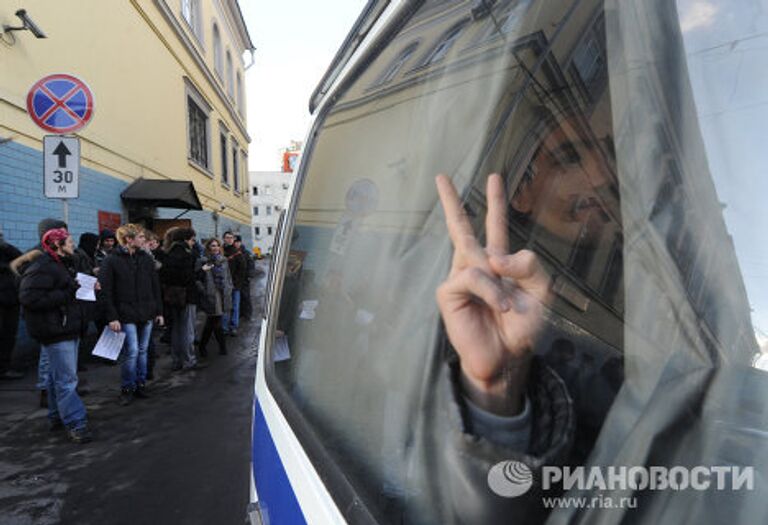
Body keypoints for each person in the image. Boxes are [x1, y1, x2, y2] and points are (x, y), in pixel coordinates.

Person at [18, 228, 92, 443]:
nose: (73, 245)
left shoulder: (60, 265)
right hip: (56, 331)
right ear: (57, 245)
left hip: (64, 328)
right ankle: (76, 423)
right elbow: (29, 298)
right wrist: (67, 293)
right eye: (69, 242)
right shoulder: (43, 267)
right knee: (67, 380)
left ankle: (56, 417)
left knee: (54, 378)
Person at [99, 224, 164, 405]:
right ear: (129, 239)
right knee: (133, 351)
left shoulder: (146, 259)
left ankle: (140, 384)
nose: (144, 240)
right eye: (141, 237)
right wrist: (112, 316)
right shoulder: (112, 260)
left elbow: (155, 287)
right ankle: (128, 387)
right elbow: (106, 291)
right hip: (125, 313)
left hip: (147, 312)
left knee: (142, 351)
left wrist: (159, 311)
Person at [160, 227, 207, 371]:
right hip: (187, 295)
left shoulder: (167, 253)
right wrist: (201, 272)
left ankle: (176, 361)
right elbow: (188, 278)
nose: (193, 243)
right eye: (192, 240)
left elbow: (165, 276)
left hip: (171, 296)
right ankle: (189, 360)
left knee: (175, 329)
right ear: (186, 239)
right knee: (188, 330)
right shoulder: (188, 255)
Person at [198, 238, 233, 357]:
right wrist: (204, 290)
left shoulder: (223, 261)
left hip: (223, 293)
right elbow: (197, 279)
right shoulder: (203, 261)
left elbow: (228, 276)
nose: (215, 248)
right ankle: (221, 347)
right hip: (211, 294)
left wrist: (230, 287)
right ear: (208, 248)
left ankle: (203, 346)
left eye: (217, 245)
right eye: (213, 246)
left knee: (213, 321)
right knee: (215, 320)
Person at [0, 229, 24, 380]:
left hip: (11, 300)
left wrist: (5, 246)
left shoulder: (6, 250)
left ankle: (4, 368)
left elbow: (21, 258)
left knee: (9, 335)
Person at [222, 231, 246, 335]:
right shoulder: (220, 250)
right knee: (225, 307)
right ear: (224, 239)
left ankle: (233, 326)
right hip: (222, 284)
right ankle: (224, 327)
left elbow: (242, 269)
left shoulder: (237, 253)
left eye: (231, 238)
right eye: (227, 237)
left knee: (235, 306)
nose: (229, 239)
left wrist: (236, 283)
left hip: (235, 285)